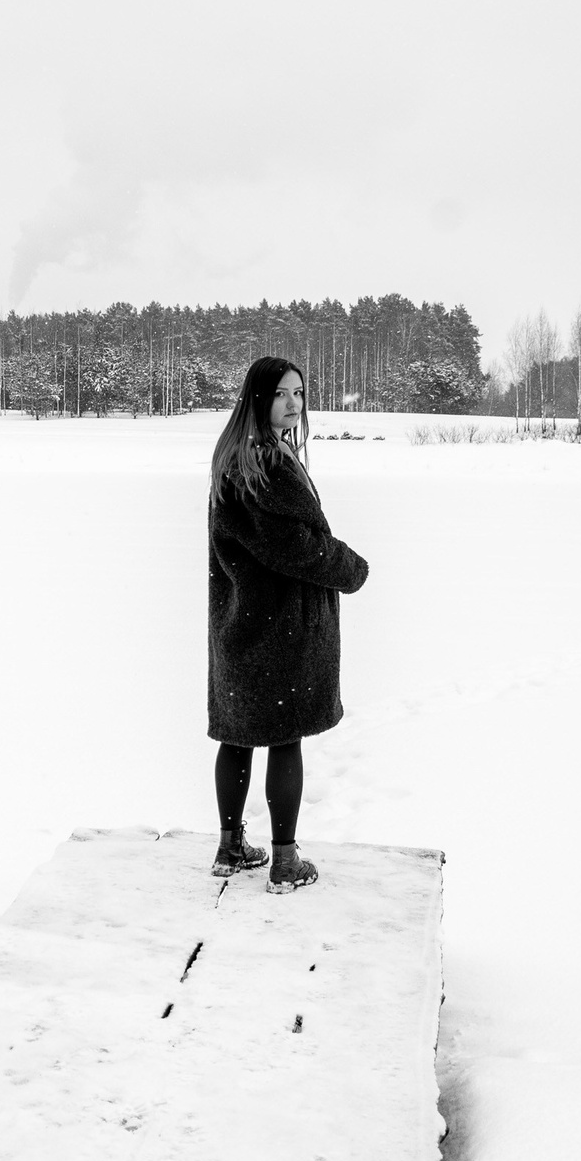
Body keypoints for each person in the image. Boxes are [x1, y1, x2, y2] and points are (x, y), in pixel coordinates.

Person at [206, 356, 370, 893]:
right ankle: (284, 861)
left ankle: (231, 848)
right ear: (258, 398)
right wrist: (349, 567)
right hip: (280, 626)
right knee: (283, 738)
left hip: (241, 621)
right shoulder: (262, 464)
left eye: (299, 393)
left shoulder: (240, 456)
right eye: (282, 394)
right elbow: (293, 546)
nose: (294, 404)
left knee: (237, 735)